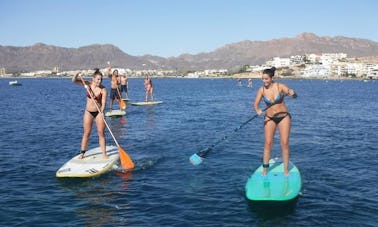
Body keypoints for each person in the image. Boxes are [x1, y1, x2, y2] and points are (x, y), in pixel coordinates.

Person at [253, 67, 297, 176]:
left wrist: (292, 93)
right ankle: (265, 169)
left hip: (283, 117)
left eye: (266, 79)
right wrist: (258, 110)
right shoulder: (261, 90)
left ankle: (286, 170)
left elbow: (293, 95)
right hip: (269, 117)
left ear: (271, 78)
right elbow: (256, 104)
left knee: (285, 143)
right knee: (268, 143)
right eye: (263, 79)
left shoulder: (280, 86)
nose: (264, 81)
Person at [72, 69, 108, 159]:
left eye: (101, 79)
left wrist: (102, 111)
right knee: (87, 133)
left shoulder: (103, 89)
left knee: (101, 133)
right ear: (93, 79)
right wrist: (76, 73)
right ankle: (82, 153)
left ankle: (104, 153)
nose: (99, 81)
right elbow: (74, 81)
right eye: (98, 79)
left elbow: (103, 103)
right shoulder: (87, 84)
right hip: (88, 112)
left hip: (99, 112)